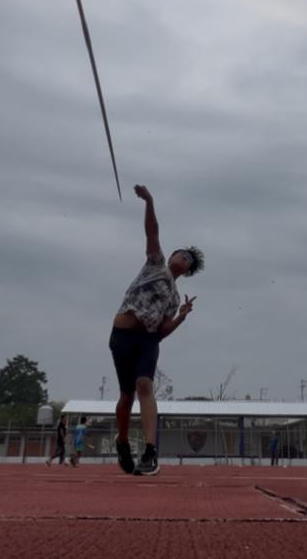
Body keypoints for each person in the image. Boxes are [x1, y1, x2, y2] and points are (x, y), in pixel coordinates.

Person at [109, 184, 202, 476]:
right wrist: (149, 201)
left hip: (147, 340)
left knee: (144, 386)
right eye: (182, 253)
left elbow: (161, 332)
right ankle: (122, 441)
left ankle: (150, 451)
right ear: (172, 255)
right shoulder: (155, 263)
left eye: (189, 259)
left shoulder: (175, 299)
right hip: (123, 335)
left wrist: (181, 319)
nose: (184, 258)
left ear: (186, 271)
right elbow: (152, 230)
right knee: (126, 395)